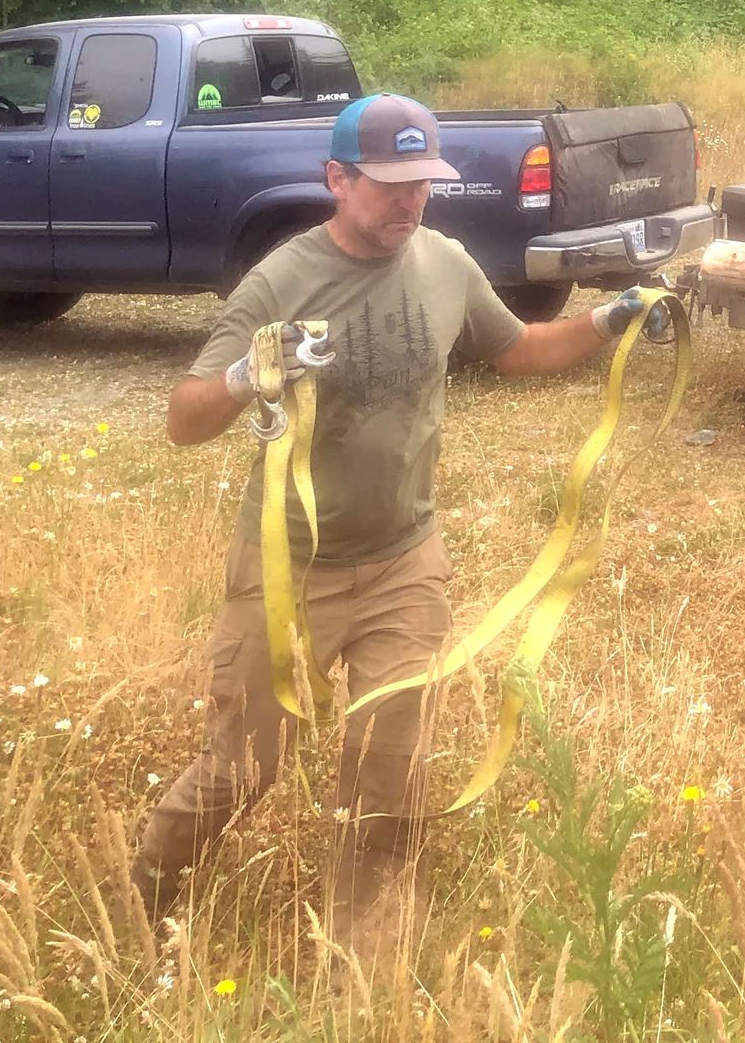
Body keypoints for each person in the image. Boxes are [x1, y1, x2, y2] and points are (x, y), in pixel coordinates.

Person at [132, 92, 663, 955]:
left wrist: (611, 319)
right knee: (245, 768)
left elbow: (519, 350)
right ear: (337, 178)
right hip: (288, 570)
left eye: (422, 182)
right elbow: (183, 419)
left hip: (405, 562)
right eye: (388, 184)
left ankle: (360, 955)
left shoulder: (444, 262)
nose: (409, 202)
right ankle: (146, 897)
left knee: (390, 773)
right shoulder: (280, 280)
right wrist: (244, 380)